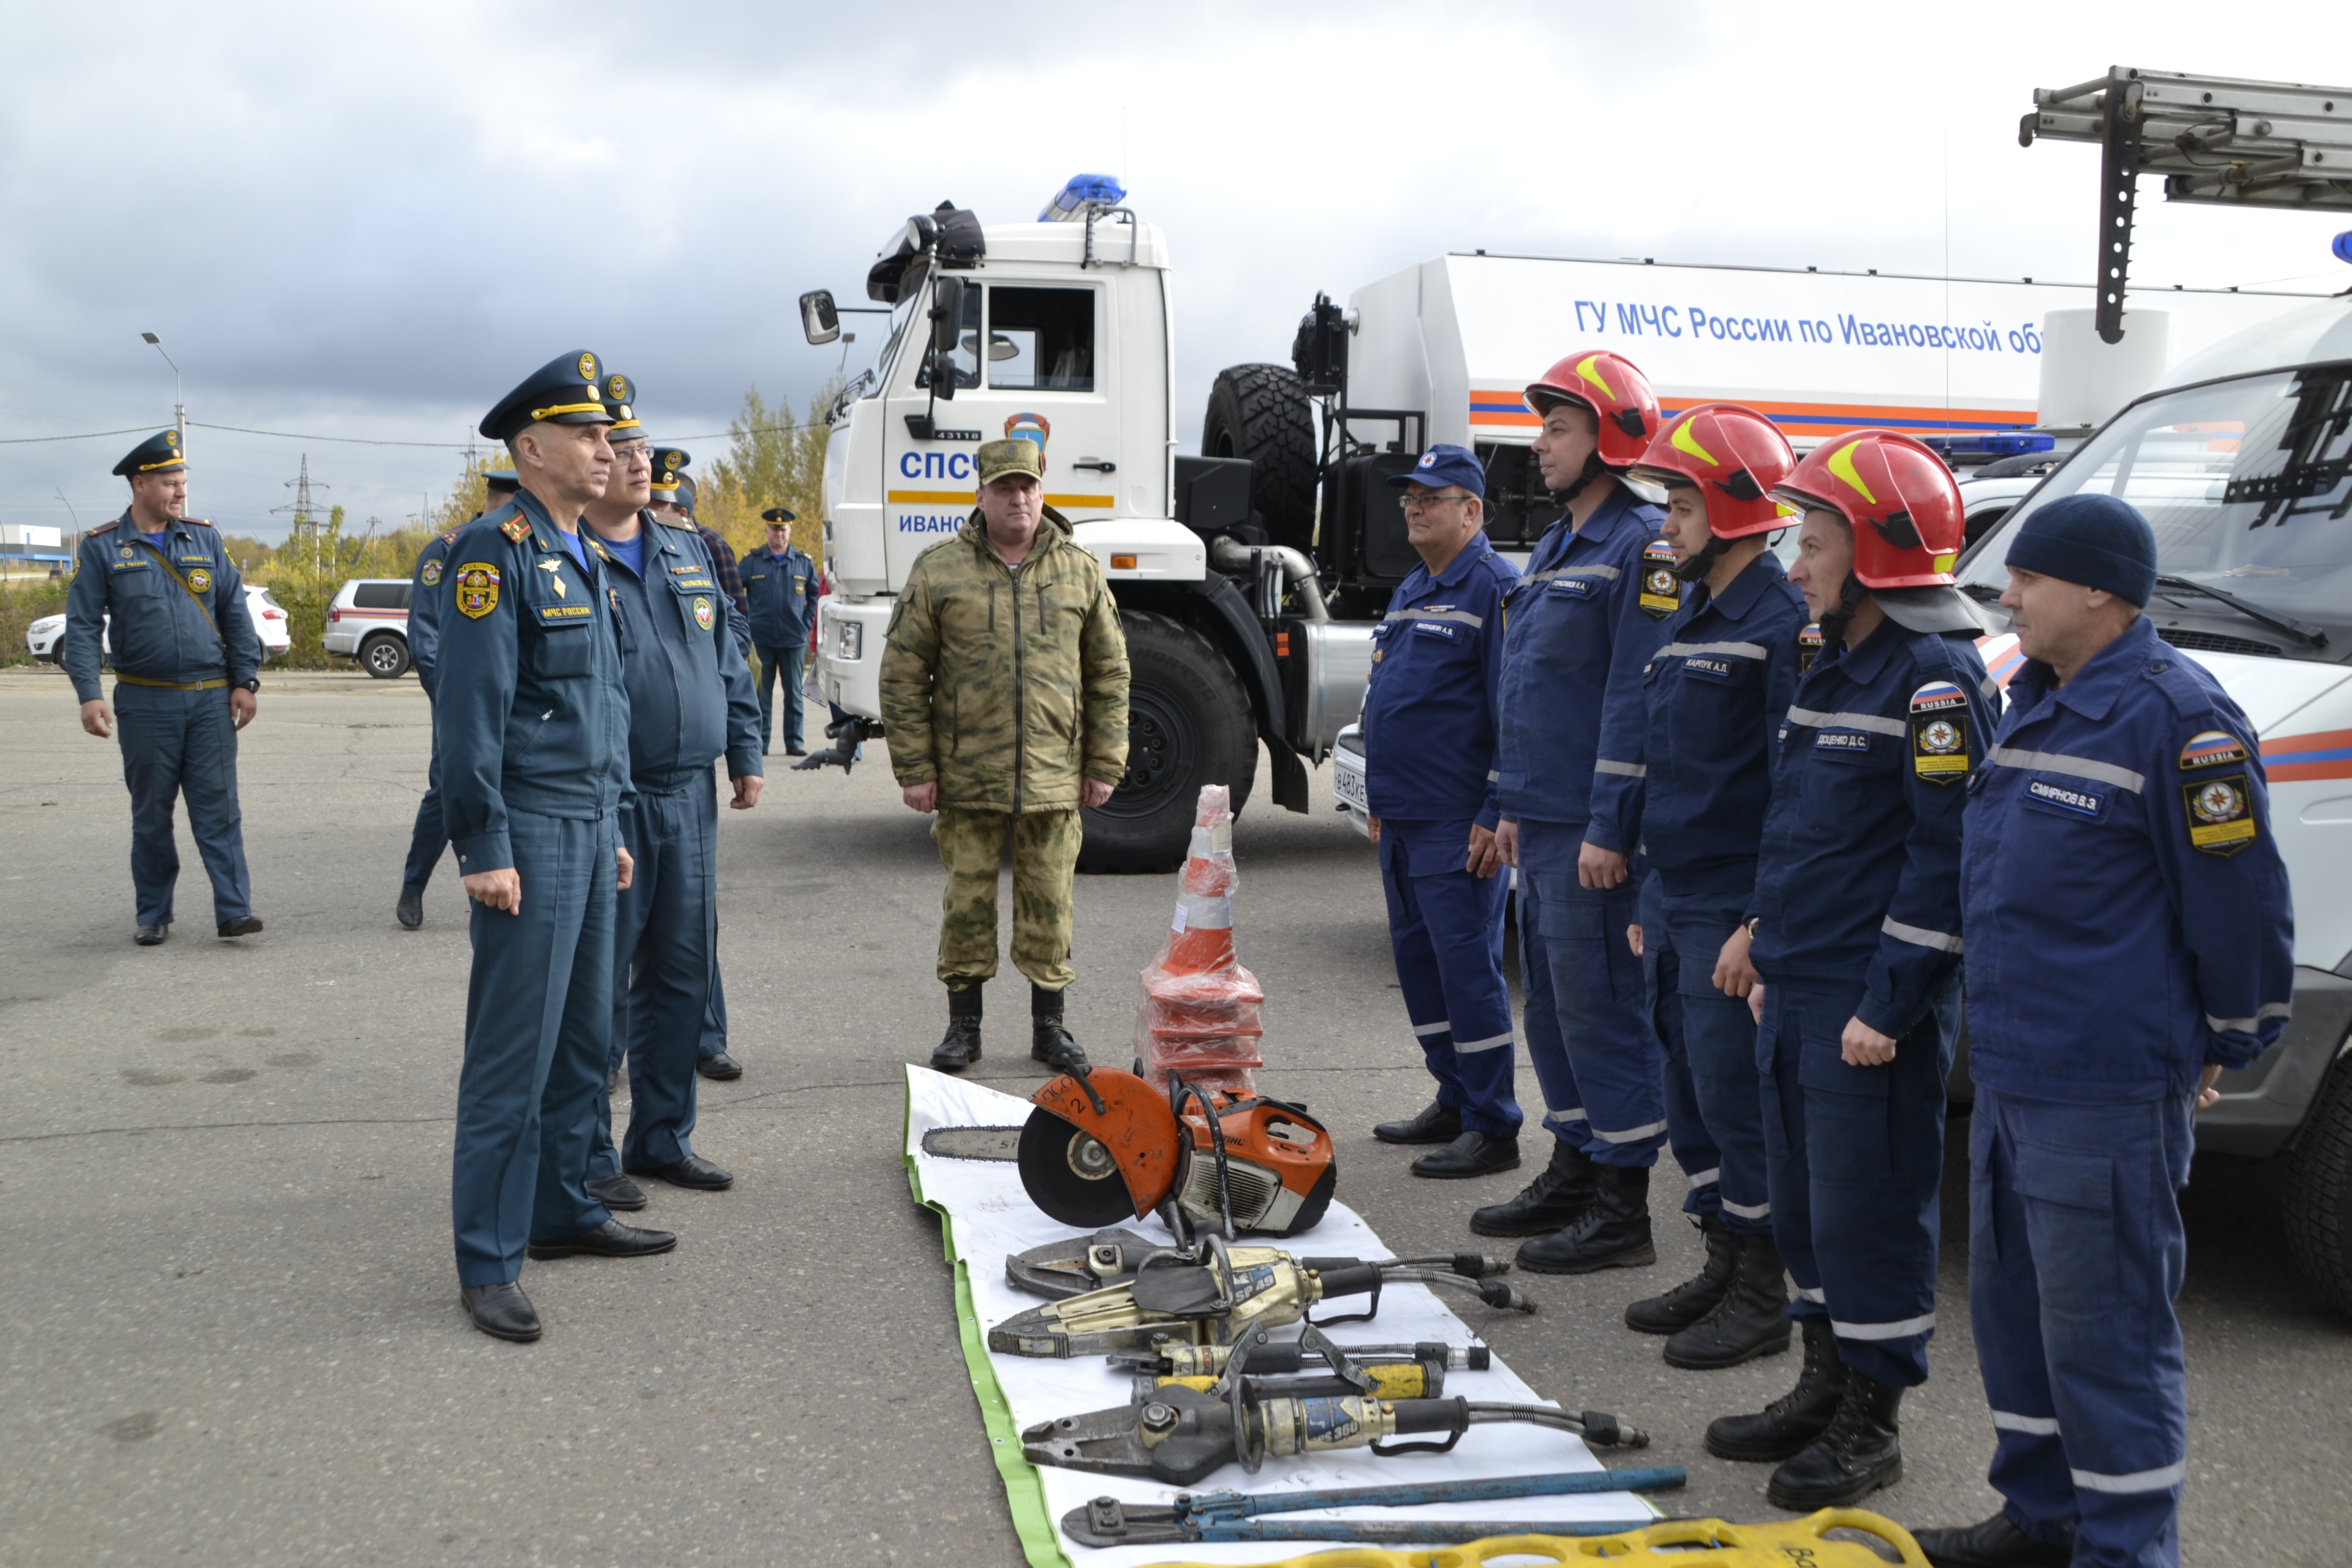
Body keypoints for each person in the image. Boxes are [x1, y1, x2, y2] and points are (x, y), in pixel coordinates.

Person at [1914, 495, 2293, 1568]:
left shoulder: (2182, 722)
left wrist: (2230, 1037)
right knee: (2020, 1321)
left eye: (2029, 578)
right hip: (2017, 1076)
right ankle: (2041, 1522)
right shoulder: (2034, 695)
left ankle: (2126, 1550)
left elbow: (2241, 908)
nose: (2008, 593)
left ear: (2100, 592)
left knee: (2109, 1340)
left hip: (2106, 1088)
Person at [1701, 428, 1997, 1510]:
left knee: (1870, 1212)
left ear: (1873, 554)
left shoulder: (1933, 681)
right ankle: (1823, 1382)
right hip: (1800, 987)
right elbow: (1803, 831)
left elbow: (1946, 857)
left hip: (1869, 1007)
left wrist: (1891, 1003)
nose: (1794, 567)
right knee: (1809, 1206)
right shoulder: (1840, 663)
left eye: (1814, 544)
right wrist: (1764, 934)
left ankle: (1874, 1420)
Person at [436, 351, 674, 1345]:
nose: (606, 446)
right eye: (584, 434)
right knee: (512, 1055)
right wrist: (485, 844)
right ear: (531, 450)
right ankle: (488, 1259)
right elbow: (470, 719)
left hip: (588, 826)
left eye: (606, 433)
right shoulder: (496, 553)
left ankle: (564, 1209)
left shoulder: (582, 551)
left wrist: (615, 819)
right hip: (527, 834)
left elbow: (601, 710)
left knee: (583, 1042)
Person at [1466, 351, 1674, 1270]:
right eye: (1542, 426)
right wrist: (1511, 800)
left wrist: (1609, 824)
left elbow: (1635, 696)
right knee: (1551, 1006)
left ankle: (1622, 1201)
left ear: (1611, 438)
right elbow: (1527, 685)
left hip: (1592, 827)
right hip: (1542, 819)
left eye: (1558, 427)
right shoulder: (1555, 545)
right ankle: (1576, 1161)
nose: (1538, 444)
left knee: (1600, 1008)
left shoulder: (1642, 544)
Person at [1614, 404, 1809, 1365]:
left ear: (1733, 511)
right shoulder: (1692, 613)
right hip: (1673, 895)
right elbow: (1665, 763)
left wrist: (1755, 920)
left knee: (1735, 1101)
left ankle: (1761, 1292)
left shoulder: (1781, 627)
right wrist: (1651, 898)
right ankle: (1721, 1259)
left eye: (1682, 506)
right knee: (1687, 1094)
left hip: (1730, 903)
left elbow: (1791, 791)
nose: (1667, 526)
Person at [879, 437, 1129, 1072]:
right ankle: (964, 1028)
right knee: (967, 902)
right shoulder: (939, 570)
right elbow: (904, 674)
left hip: (1054, 775)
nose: (1018, 499)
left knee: (1051, 903)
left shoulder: (1079, 570)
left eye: (1028, 488)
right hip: (967, 775)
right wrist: (916, 769)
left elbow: (1109, 674)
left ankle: (1052, 1030)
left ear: (1042, 493)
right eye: (1004, 488)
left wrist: (1104, 764)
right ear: (981, 496)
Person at [578, 389, 765, 1209]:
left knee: (682, 975)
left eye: (644, 446)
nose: (637, 459)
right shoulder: (565, 558)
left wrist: (746, 750)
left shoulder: (687, 550)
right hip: (611, 801)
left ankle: (661, 1138)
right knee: (599, 990)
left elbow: (727, 658)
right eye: (619, 447)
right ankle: (587, 1155)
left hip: (690, 797)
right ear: (592, 464)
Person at [1361, 445, 1524, 1178]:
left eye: (1432, 496)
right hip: (1403, 817)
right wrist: (1379, 800)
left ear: (1473, 510)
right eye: (1409, 498)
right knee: (1422, 968)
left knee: (1467, 972)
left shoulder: (1493, 588)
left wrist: (1495, 807)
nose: (1414, 507)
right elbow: (1391, 697)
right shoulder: (1415, 588)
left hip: (1458, 822)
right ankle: (1455, 1098)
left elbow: (1512, 710)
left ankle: (1495, 1125)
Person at [64, 430, 265, 946]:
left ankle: (234, 910)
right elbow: (83, 625)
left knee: (219, 810)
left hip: (209, 699)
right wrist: (88, 693)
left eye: (183, 483)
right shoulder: (104, 546)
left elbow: (235, 615)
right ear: (139, 483)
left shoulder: (204, 539)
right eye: (171, 484)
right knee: (152, 814)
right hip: (145, 700)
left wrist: (245, 681)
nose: (181, 494)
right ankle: (153, 913)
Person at [398, 468, 522, 928]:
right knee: (447, 791)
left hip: (519, 704)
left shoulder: (527, 544)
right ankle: (414, 885)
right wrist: (453, 696)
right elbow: (425, 633)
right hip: (462, 700)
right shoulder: (448, 548)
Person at [744, 506, 820, 756]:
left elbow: (815, 595)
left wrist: (806, 622)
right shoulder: (752, 561)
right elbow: (732, 591)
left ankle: (795, 742)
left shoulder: (803, 563)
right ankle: (761, 744)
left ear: (790, 531)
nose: (779, 534)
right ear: (766, 530)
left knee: (794, 695)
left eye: (783, 529)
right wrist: (744, 623)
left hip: (793, 638)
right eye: (774, 529)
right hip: (762, 638)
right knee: (761, 696)